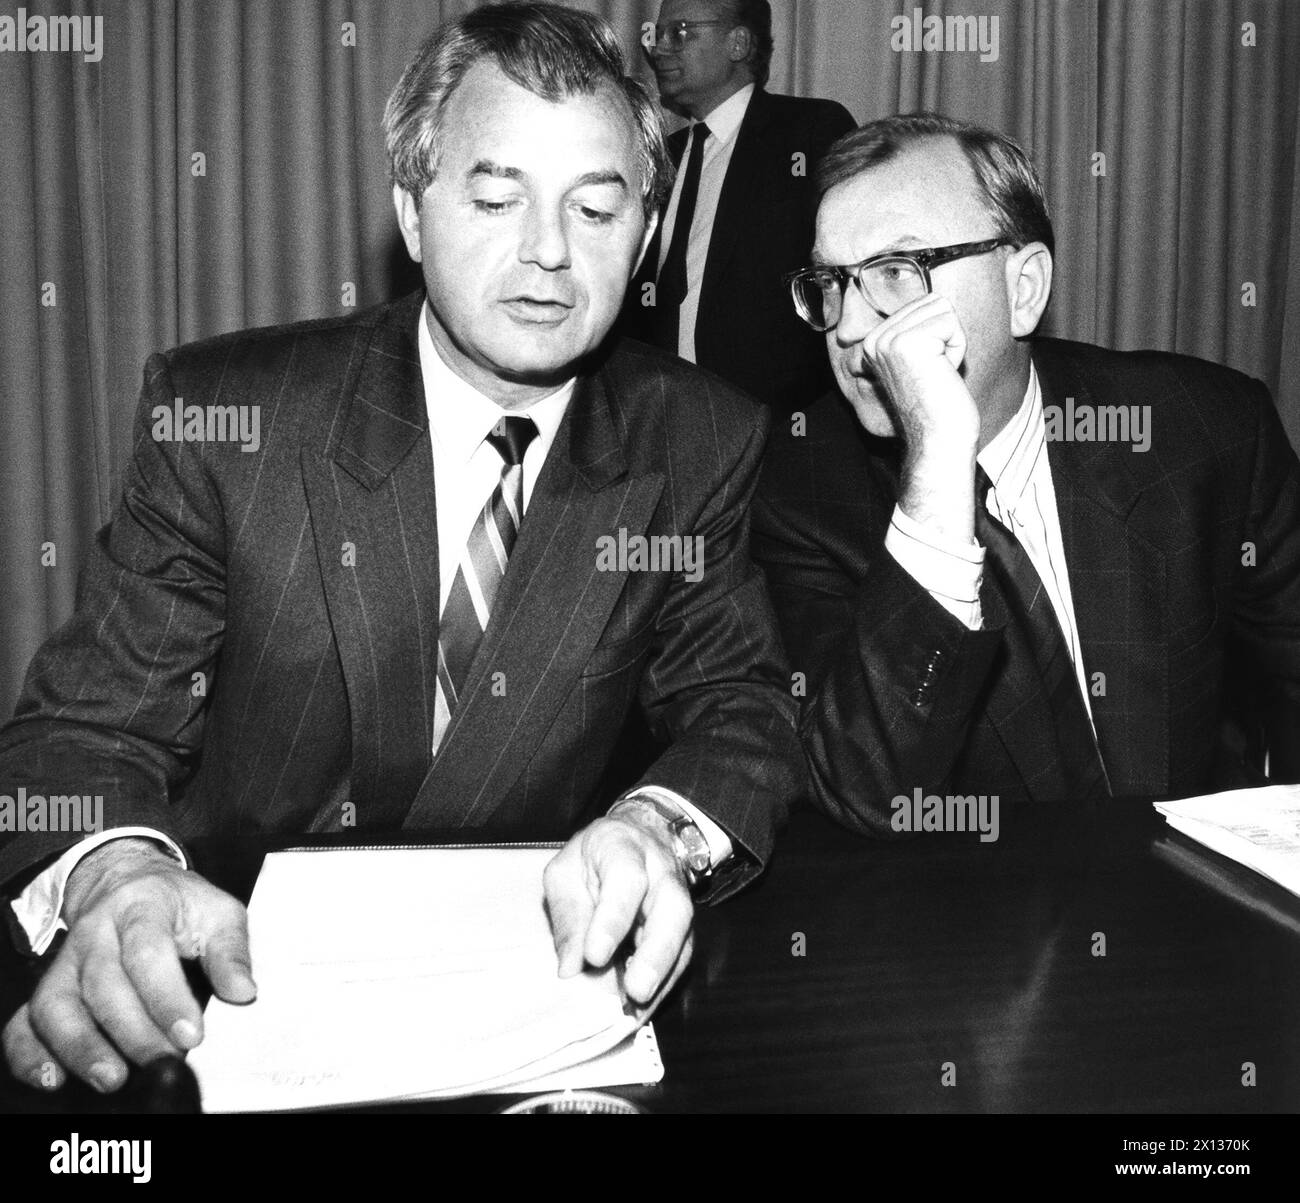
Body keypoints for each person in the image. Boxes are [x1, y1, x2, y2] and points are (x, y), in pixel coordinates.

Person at [0, 3, 801, 1094]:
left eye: (598, 209)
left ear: (645, 230)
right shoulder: (228, 418)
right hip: (230, 991)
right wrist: (118, 875)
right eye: (494, 198)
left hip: (527, 1008)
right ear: (413, 213)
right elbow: (90, 728)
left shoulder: (696, 438)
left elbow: (739, 705)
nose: (549, 254)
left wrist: (658, 830)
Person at [752, 112, 1300, 837]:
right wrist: (937, 473)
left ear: (1025, 288)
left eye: (895, 272)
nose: (850, 325)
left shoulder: (1206, 429)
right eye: (830, 281)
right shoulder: (798, 488)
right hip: (973, 928)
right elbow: (866, 795)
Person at [620, 0, 854, 412]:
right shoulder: (659, 156)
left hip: (779, 428)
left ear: (738, 42)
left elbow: (846, 274)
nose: (659, 48)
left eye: (681, 32)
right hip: (662, 418)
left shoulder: (810, 132)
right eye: (658, 35)